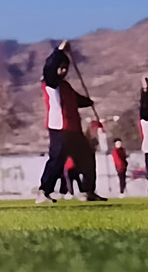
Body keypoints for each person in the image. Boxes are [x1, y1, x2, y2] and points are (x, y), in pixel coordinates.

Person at [36, 41, 105, 203]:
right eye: (61, 67)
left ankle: (88, 191)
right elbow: (49, 67)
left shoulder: (65, 86)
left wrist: (88, 101)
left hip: (74, 129)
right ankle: (44, 191)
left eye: (66, 68)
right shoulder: (50, 83)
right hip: (59, 129)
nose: (64, 70)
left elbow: (76, 100)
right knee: (57, 161)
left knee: (87, 158)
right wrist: (59, 51)